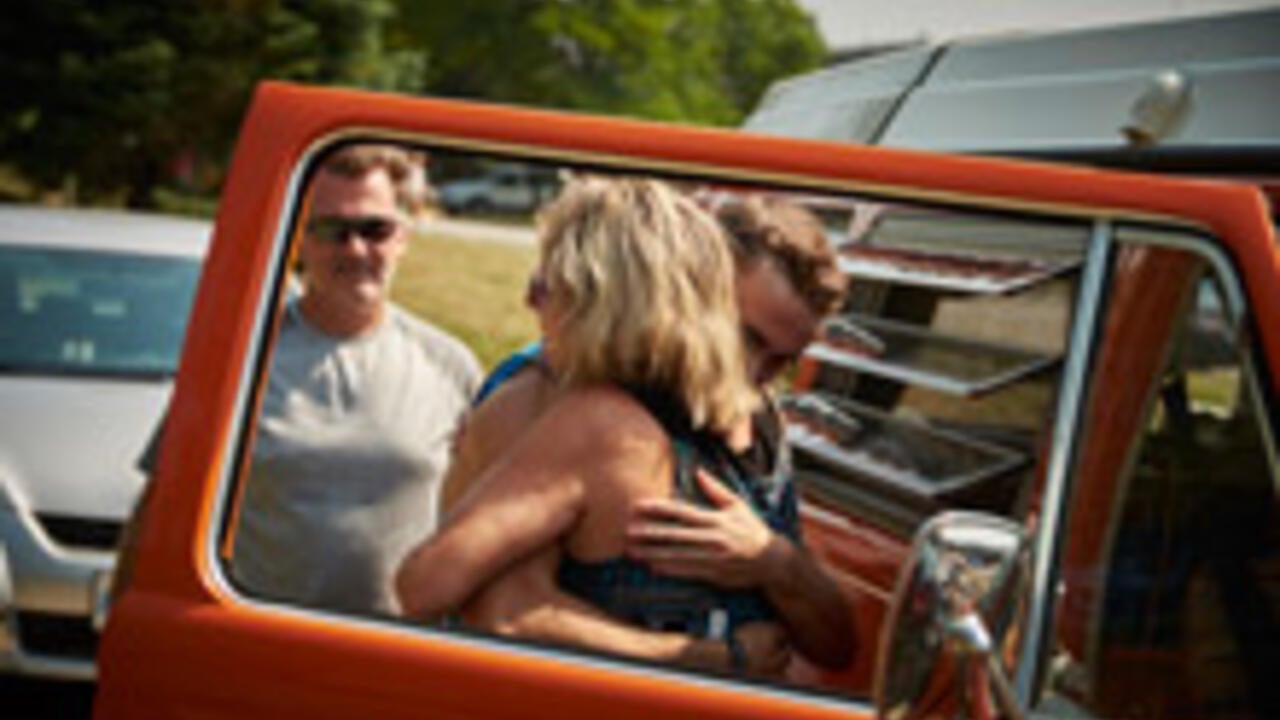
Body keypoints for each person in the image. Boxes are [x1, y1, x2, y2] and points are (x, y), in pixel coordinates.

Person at [399, 181, 852, 675]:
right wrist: (714, 659)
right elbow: (497, 613)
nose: (756, 374)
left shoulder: (761, 419)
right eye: (747, 338)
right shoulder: (557, 395)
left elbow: (836, 650)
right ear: (692, 292)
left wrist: (774, 562)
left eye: (784, 362)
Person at [228, 143, 481, 616]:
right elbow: (164, 503)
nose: (356, 249)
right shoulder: (239, 357)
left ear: (403, 236)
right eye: (331, 230)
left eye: (375, 229)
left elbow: (481, 517)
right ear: (299, 239)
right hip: (262, 636)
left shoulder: (451, 365)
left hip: (397, 645)